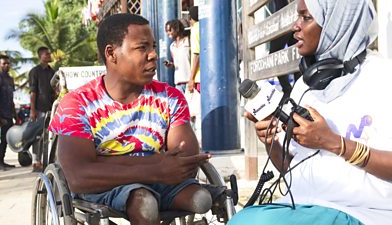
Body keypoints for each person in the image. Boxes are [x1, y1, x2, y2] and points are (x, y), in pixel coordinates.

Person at [229, 0, 392, 224]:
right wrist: (270, 141)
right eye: (298, 17)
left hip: (362, 212)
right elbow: (292, 169)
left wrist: (334, 143)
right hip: (301, 205)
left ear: (337, 23)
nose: (295, 26)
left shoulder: (383, 78)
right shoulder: (306, 86)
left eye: (306, 18)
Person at [48, 13, 212, 225]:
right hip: (104, 189)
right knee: (143, 202)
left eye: (153, 47)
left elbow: (184, 163)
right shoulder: (77, 104)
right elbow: (78, 177)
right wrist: (156, 166)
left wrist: (103, 162)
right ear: (111, 54)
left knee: (202, 199)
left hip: (161, 183)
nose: (153, 55)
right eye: (142, 48)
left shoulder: (170, 98)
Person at [28, 46, 56, 172]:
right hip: (39, 109)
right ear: (40, 56)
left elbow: (55, 91)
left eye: (49, 53)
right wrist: (32, 110)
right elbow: (33, 92)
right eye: (46, 54)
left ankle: (46, 162)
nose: (49, 55)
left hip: (51, 109)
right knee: (37, 136)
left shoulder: (53, 72)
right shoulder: (35, 71)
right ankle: (35, 162)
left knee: (49, 136)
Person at [0, 55, 18, 170]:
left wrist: (15, 115)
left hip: (8, 113)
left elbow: (11, 98)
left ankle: (1, 160)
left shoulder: (10, 79)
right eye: (4, 63)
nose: (6, 65)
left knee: (6, 139)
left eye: (8, 63)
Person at [163, 19, 191, 93]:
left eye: (169, 30)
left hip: (190, 81)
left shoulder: (188, 41)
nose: (168, 33)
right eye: (167, 31)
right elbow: (177, 63)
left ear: (176, 29)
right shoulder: (172, 46)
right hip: (178, 83)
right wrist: (171, 64)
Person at [188, 6, 200, 93]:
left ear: (190, 18)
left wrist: (191, 78)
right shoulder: (204, 26)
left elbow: (196, 54)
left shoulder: (195, 29)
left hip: (199, 76)